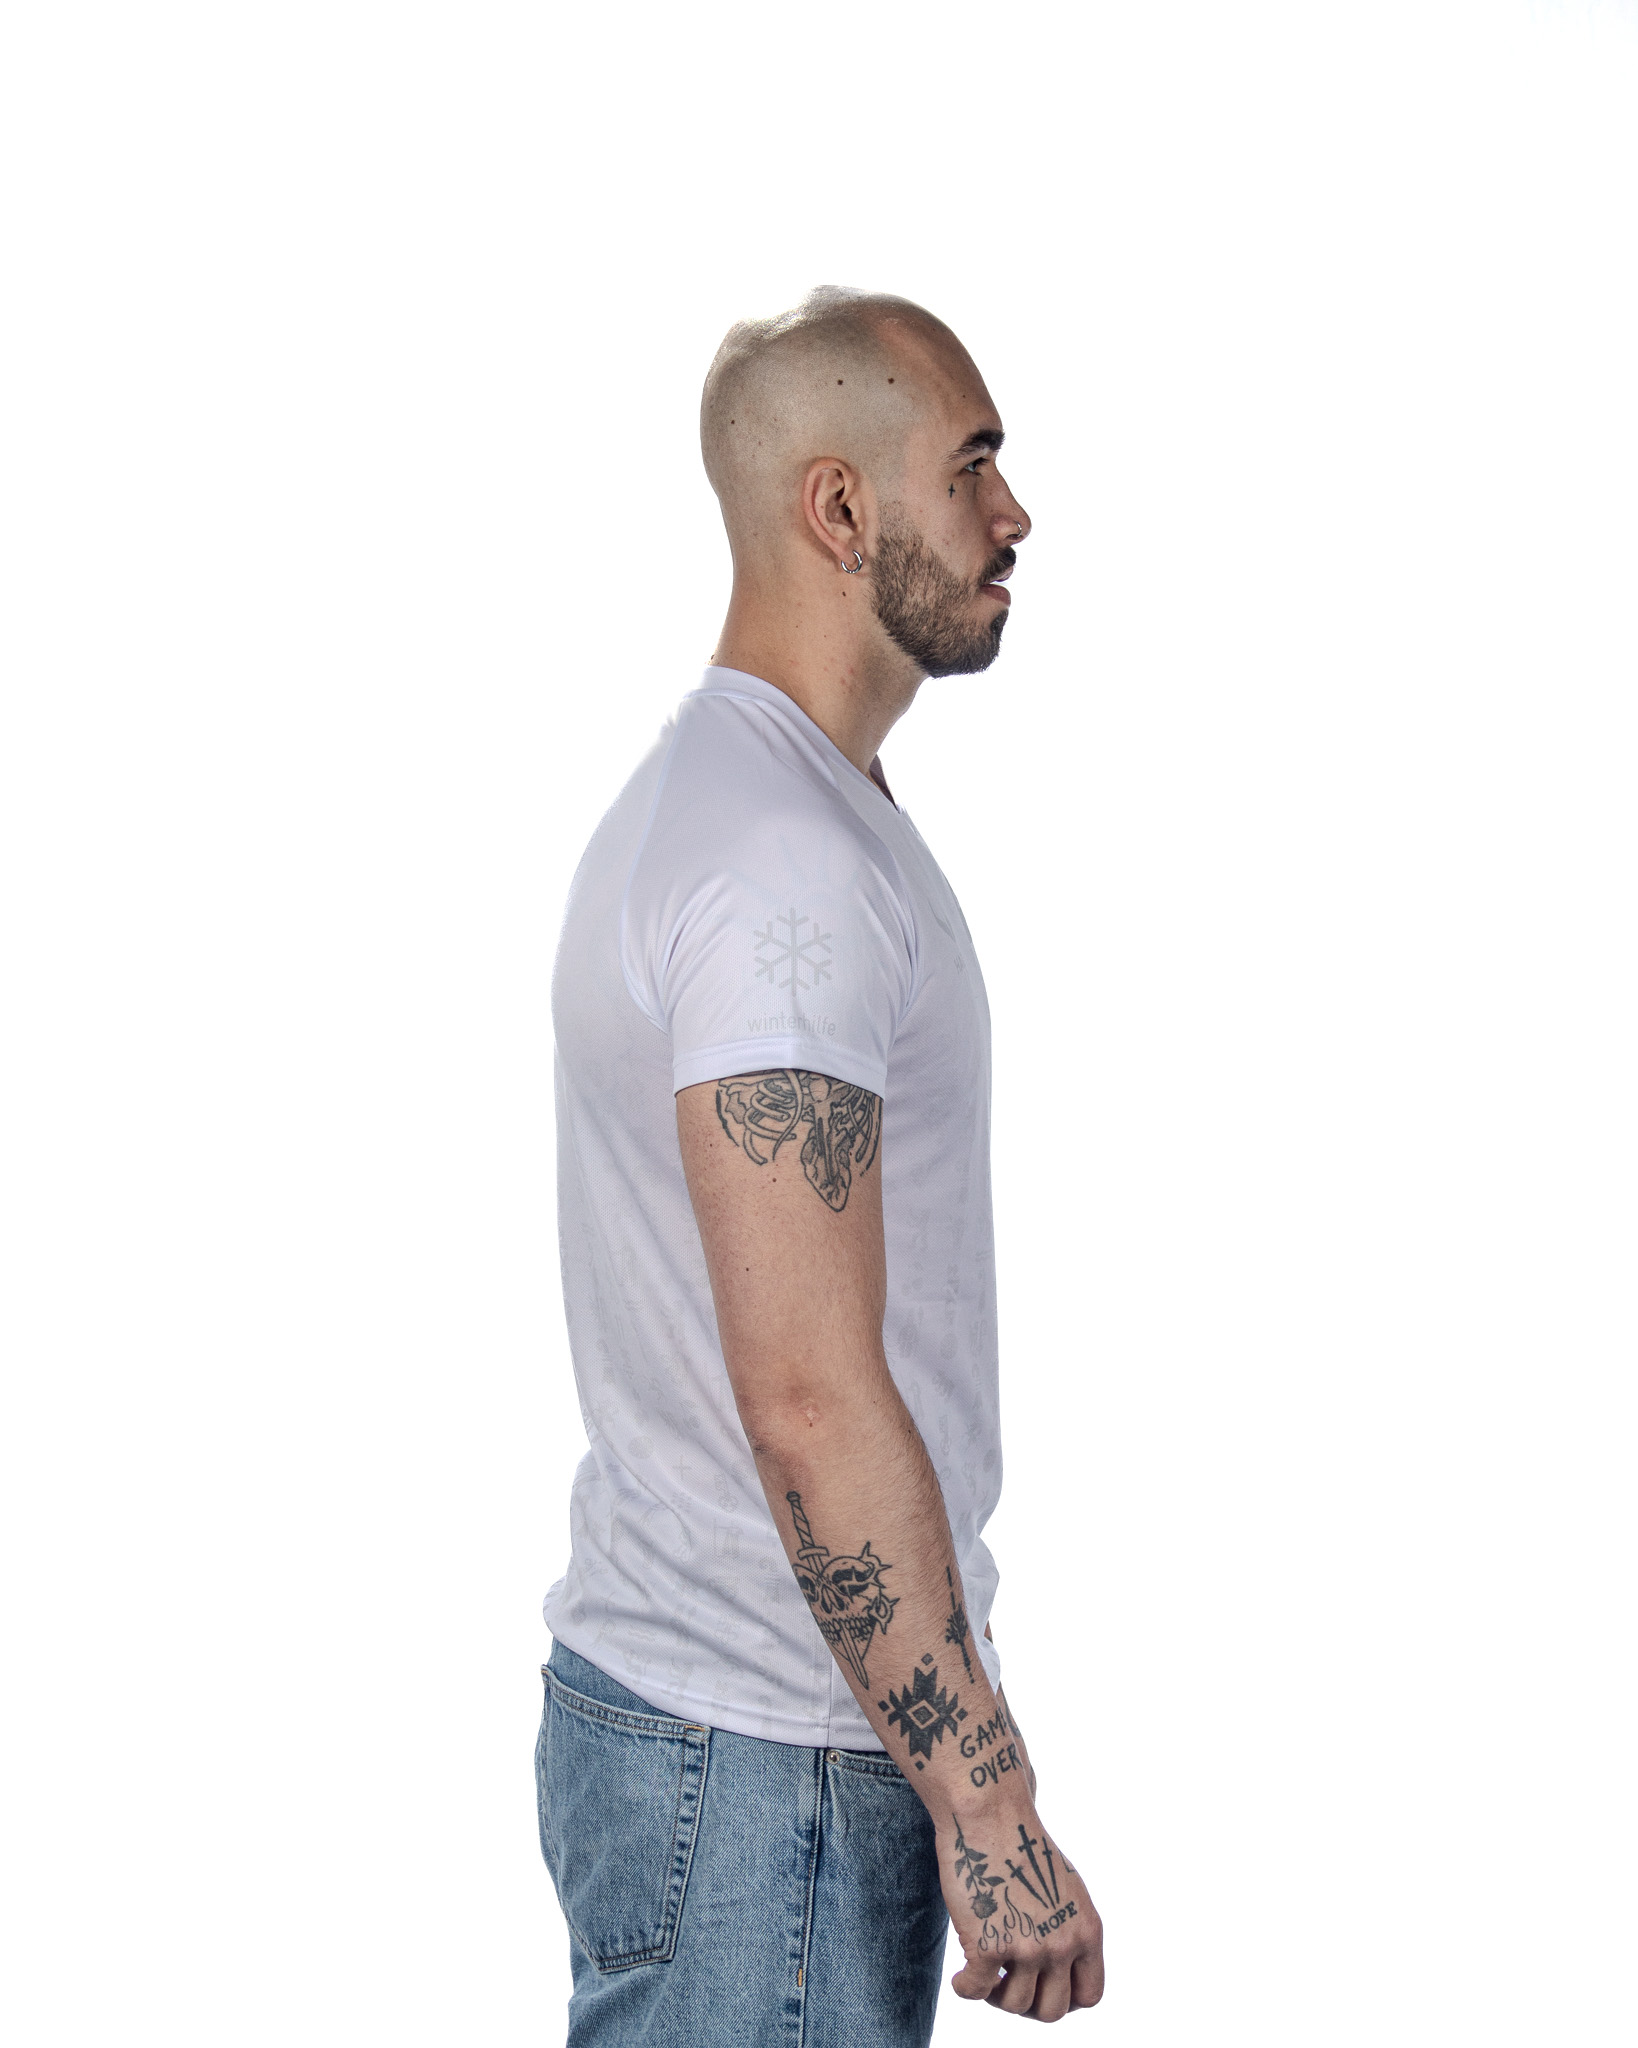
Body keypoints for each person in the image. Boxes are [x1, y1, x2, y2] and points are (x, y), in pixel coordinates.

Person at [538, 286, 1105, 2043]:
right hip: (761, 1764)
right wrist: (988, 1799)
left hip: (733, 1740)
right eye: (972, 467)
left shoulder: (773, 806)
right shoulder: (779, 864)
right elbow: (803, 1391)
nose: (1013, 514)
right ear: (839, 509)